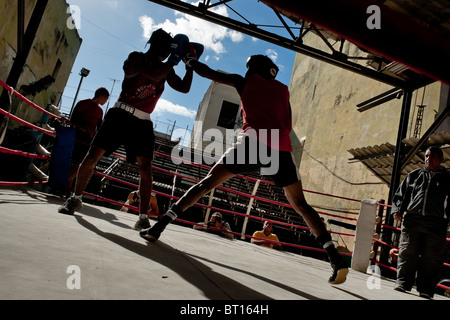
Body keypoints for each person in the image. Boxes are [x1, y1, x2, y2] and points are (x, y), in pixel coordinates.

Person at [141, 54, 349, 284]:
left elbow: (209, 73)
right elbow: (288, 122)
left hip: (251, 141)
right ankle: (335, 259)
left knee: (207, 183)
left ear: (253, 68)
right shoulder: (284, 90)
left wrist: (190, 61)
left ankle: (159, 227)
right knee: (300, 204)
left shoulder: (244, 81)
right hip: (280, 148)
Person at [58, 28, 198, 231]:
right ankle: (75, 198)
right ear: (158, 45)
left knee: (146, 168)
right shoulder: (136, 58)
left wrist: (190, 65)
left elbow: (184, 88)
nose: (170, 52)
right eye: (168, 48)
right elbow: (154, 75)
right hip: (120, 114)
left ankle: (142, 217)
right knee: (92, 156)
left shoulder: (167, 67)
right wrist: (174, 60)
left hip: (142, 121)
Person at [391, 146, 450, 299]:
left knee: (431, 258)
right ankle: (403, 283)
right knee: (407, 253)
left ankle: (426, 289)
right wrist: (397, 209)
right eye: (427, 156)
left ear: (441, 160)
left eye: (432, 156)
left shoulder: (448, 179)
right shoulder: (414, 175)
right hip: (412, 221)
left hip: (436, 224)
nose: (428, 159)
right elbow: (400, 195)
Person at [66, 87, 109, 191]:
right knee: (72, 164)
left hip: (88, 142)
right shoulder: (83, 103)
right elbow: (73, 119)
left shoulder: (100, 111)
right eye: (106, 99)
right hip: (76, 138)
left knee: (80, 165)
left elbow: (99, 128)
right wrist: (85, 129)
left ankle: (65, 185)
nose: (106, 101)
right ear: (102, 96)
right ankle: (65, 186)